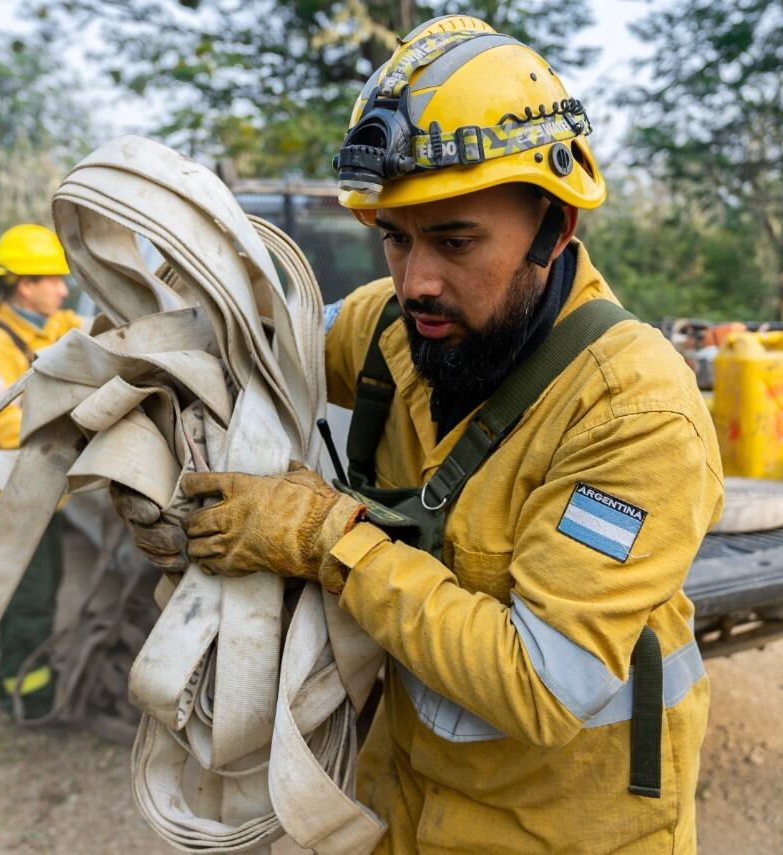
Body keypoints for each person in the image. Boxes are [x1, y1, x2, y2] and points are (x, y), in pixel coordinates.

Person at [114, 15, 724, 854]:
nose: (415, 282)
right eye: (394, 240)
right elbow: (230, 363)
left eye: (453, 239)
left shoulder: (631, 413)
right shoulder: (388, 329)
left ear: (556, 227)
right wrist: (156, 475)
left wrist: (325, 539)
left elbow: (543, 684)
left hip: (562, 833)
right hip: (398, 811)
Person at [0, 223, 83, 720]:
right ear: (23, 285)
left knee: (43, 591)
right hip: (8, 503)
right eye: (52, 279)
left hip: (43, 495)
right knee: (28, 602)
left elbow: (91, 335)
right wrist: (71, 421)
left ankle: (25, 685)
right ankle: (25, 700)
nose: (62, 288)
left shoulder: (49, 325)